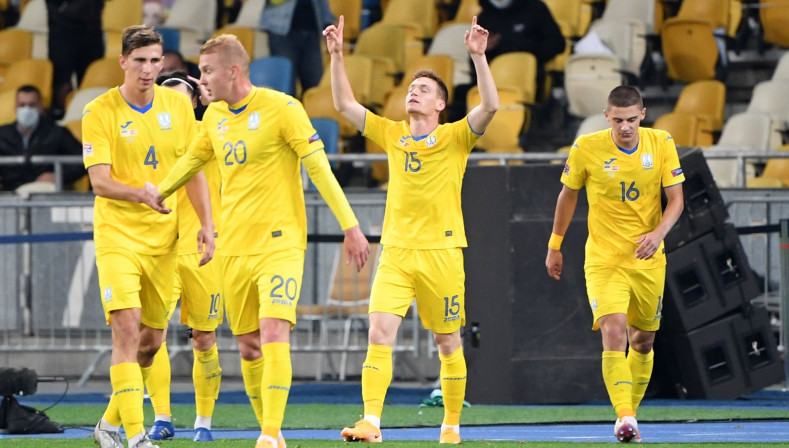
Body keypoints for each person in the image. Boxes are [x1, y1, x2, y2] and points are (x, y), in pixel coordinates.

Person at [145, 34, 370, 448]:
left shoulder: (284, 108)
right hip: (232, 248)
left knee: (273, 332)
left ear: (233, 70)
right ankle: (276, 432)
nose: (201, 79)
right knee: (248, 347)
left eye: (207, 70)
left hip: (280, 244)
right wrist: (158, 192)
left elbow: (318, 168)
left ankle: (266, 435)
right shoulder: (213, 118)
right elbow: (192, 160)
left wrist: (350, 225)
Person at [325, 15, 499, 444]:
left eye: (422, 89)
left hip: (442, 253)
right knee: (379, 333)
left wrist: (478, 57)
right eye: (410, 89)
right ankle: (371, 422)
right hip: (398, 252)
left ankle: (452, 426)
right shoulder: (392, 134)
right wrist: (337, 56)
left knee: (447, 343)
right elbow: (345, 106)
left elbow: (491, 106)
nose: (413, 93)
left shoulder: (457, 136)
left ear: (440, 104)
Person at [83, 25, 215, 448]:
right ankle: (136, 436)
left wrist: (207, 226)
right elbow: (99, 182)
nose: (147, 69)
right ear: (123, 61)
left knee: (149, 343)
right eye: (139, 60)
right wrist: (139, 193)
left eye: (154, 61)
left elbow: (192, 171)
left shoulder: (177, 107)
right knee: (126, 327)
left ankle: (108, 423)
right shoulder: (98, 111)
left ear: (163, 63)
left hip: (164, 240)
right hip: (117, 236)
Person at [545, 85, 684, 443]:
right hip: (605, 259)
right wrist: (555, 245)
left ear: (643, 115)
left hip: (648, 259)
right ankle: (624, 417)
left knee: (643, 341)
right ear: (607, 117)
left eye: (631, 119)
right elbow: (568, 195)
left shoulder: (661, 143)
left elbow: (676, 200)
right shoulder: (587, 148)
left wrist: (658, 234)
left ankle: (630, 416)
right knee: (613, 331)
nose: (625, 126)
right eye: (618, 120)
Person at [142, 71, 223, 443]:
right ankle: (162, 417)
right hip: (160, 248)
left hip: (203, 250)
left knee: (204, 338)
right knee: (151, 336)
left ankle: (203, 425)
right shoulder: (147, 137)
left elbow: (235, 119)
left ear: (194, 103)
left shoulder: (214, 133)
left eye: (181, 98)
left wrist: (215, 102)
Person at [477, 0, 565, 102]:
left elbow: (557, 43)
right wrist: (483, 51)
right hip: (491, 83)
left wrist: (527, 51)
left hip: (530, 78)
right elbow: (474, 62)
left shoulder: (535, 9)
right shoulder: (484, 17)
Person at [0, 85, 84, 191]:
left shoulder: (57, 133)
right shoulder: (2, 135)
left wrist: (58, 175)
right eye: (22, 105)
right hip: (8, 194)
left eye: (32, 105)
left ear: (40, 106)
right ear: (15, 108)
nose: (27, 109)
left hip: (43, 192)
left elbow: (83, 159)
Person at [259, 0, 335, 93]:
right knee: (286, 85)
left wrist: (327, 22)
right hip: (281, 32)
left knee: (314, 85)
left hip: (312, 30)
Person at [46, 0, 106, 117]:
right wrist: (64, 10)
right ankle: (61, 116)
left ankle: (91, 116)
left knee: (90, 78)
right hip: (62, 28)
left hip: (92, 28)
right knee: (62, 80)